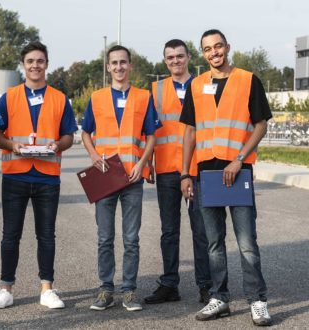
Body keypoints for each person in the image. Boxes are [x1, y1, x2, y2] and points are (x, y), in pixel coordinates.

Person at [180, 29, 272, 326]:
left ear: (227, 47)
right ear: (203, 54)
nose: (214, 52)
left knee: (247, 242)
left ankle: (257, 300)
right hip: (206, 173)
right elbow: (190, 132)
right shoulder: (196, 85)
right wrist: (185, 173)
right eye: (208, 49)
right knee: (214, 244)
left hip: (238, 171)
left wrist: (239, 160)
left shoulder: (247, 80)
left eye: (218, 46)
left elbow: (260, 125)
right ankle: (219, 298)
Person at [0, 41, 77, 310]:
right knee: (10, 235)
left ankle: (47, 289)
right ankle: (6, 288)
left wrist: (58, 145)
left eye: (40, 61)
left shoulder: (60, 98)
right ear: (23, 65)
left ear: (46, 64)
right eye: (30, 61)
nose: (35, 65)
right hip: (15, 174)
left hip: (47, 176)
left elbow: (69, 136)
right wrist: (12, 145)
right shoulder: (8, 97)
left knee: (46, 235)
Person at [81, 45, 159, 312]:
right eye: (114, 63)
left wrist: (142, 163)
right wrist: (93, 155)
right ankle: (105, 290)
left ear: (130, 66)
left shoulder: (143, 97)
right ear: (108, 67)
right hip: (105, 177)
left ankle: (129, 290)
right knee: (104, 238)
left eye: (123, 62)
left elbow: (151, 137)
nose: (119, 67)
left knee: (131, 239)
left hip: (132, 179)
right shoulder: (97, 97)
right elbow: (86, 133)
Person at [144, 39, 212, 306]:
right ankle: (169, 284)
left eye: (179, 56)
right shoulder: (155, 90)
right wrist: (147, 161)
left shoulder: (205, 85)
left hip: (198, 168)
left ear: (188, 57)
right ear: (165, 61)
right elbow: (148, 130)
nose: (175, 61)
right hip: (166, 170)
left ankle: (206, 286)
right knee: (169, 231)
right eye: (170, 57)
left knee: (201, 230)